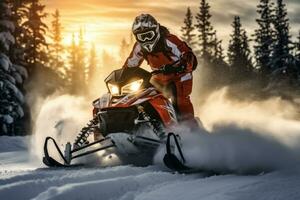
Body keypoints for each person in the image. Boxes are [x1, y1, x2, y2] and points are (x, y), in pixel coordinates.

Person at [123, 14, 198, 126]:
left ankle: (190, 129)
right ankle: (152, 123)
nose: (146, 40)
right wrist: (123, 76)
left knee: (180, 101)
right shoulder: (139, 46)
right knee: (144, 96)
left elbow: (188, 56)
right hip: (159, 76)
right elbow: (131, 64)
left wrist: (180, 66)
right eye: (142, 37)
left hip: (180, 75)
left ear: (156, 31)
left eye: (149, 35)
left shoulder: (169, 40)